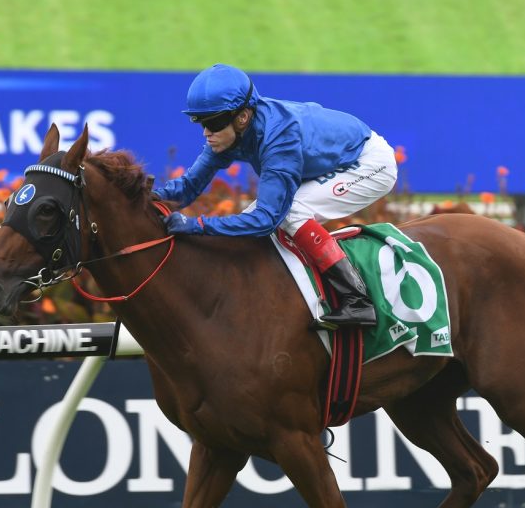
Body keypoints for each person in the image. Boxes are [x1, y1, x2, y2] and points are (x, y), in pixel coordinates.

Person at [153, 64, 397, 329]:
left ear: (242, 117)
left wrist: (197, 225)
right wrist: (150, 198)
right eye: (200, 122)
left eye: (212, 123)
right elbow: (188, 187)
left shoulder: (279, 138)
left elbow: (266, 220)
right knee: (248, 219)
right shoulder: (229, 133)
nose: (206, 132)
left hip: (369, 163)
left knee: (291, 213)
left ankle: (357, 301)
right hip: (332, 161)